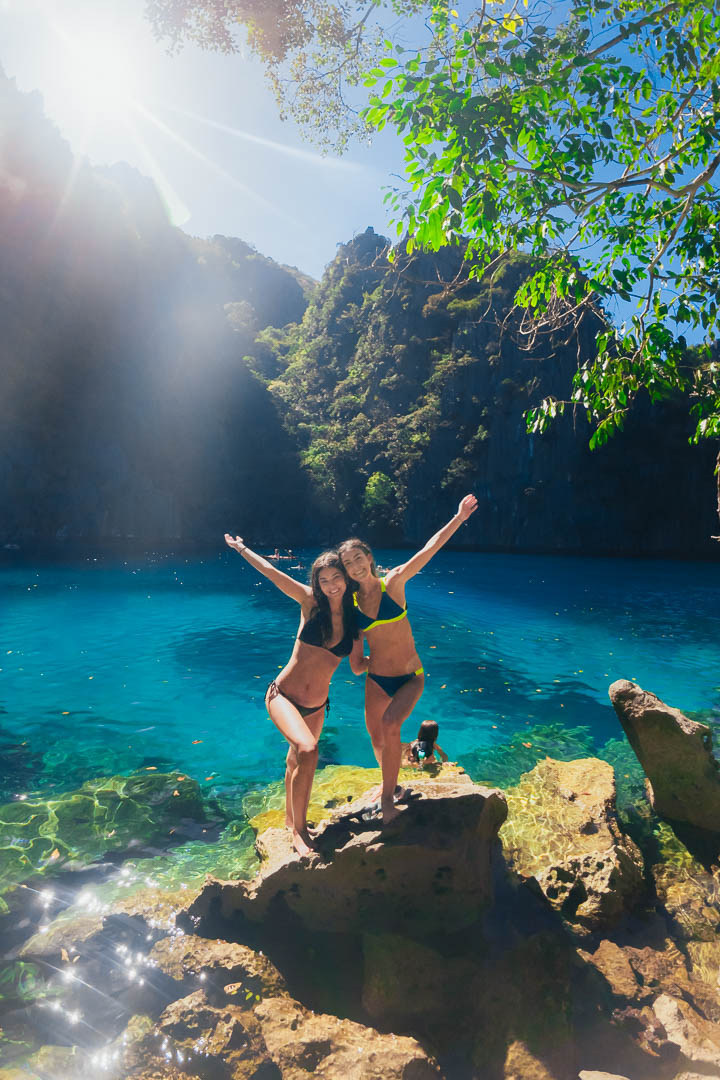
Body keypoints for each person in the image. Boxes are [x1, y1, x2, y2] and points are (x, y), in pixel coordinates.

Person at [339, 494, 477, 824]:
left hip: (410, 677)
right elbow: (357, 665)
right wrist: (362, 659)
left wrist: (458, 517)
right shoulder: (353, 606)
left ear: (369, 558)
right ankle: (396, 783)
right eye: (348, 564)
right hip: (377, 681)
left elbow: (427, 551)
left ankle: (387, 799)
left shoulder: (394, 583)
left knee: (389, 726)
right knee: (377, 739)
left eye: (359, 558)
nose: (355, 566)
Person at [224, 535, 366, 855]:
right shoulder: (309, 603)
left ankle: (292, 820)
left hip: (317, 705)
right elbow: (272, 573)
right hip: (282, 695)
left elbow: (357, 666)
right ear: (316, 583)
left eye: (336, 578)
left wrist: (392, 664)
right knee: (308, 749)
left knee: (294, 760)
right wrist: (242, 548)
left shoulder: (355, 622)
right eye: (324, 580)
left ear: (346, 578)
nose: (330, 585)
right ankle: (300, 833)